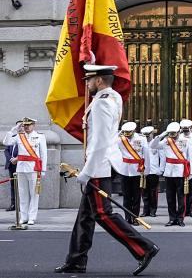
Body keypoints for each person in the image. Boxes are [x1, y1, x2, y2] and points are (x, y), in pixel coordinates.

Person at [55, 64, 158, 276]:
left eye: (89, 79)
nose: (87, 83)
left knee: (103, 214)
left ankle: (144, 249)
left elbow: (100, 142)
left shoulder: (101, 104)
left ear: (99, 81)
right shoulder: (113, 97)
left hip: (99, 166)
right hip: (102, 163)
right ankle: (76, 260)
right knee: (86, 216)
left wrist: (86, 172)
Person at [3, 117, 47, 225]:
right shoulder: (19, 136)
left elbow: (44, 154)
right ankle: (23, 217)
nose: (26, 127)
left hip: (34, 168)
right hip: (21, 168)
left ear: (33, 125)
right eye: (25, 125)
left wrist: (43, 170)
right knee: (22, 194)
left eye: (29, 125)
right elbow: (6, 142)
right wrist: (13, 130)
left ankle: (32, 217)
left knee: (34, 194)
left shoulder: (40, 137)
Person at [149, 122, 192, 227]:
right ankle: (172, 218)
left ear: (178, 132)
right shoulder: (166, 141)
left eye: (174, 133)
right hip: (169, 172)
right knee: (170, 197)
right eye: (171, 133)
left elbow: (190, 157)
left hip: (181, 171)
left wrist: (190, 172)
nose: (173, 135)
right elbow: (153, 146)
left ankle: (180, 218)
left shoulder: (186, 141)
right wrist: (162, 135)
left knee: (181, 197)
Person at [114, 121, 149, 225]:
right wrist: (118, 133)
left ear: (134, 131)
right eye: (125, 132)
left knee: (136, 196)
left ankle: (135, 218)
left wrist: (146, 170)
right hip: (124, 170)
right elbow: (109, 143)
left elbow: (146, 155)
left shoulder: (141, 139)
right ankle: (127, 217)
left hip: (137, 170)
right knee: (126, 196)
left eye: (129, 132)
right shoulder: (120, 139)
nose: (127, 134)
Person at [140, 126, 161, 217]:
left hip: (153, 171)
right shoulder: (141, 143)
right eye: (146, 136)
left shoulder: (156, 143)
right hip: (143, 171)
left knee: (153, 192)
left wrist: (161, 169)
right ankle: (145, 210)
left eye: (148, 136)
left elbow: (162, 157)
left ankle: (153, 210)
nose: (147, 138)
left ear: (152, 134)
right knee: (144, 191)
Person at [3, 121, 19, 211]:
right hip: (11, 165)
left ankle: (20, 205)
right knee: (13, 185)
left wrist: (17, 159)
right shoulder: (12, 138)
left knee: (21, 186)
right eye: (18, 126)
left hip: (20, 164)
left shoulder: (24, 139)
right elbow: (6, 150)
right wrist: (11, 159)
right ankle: (13, 204)